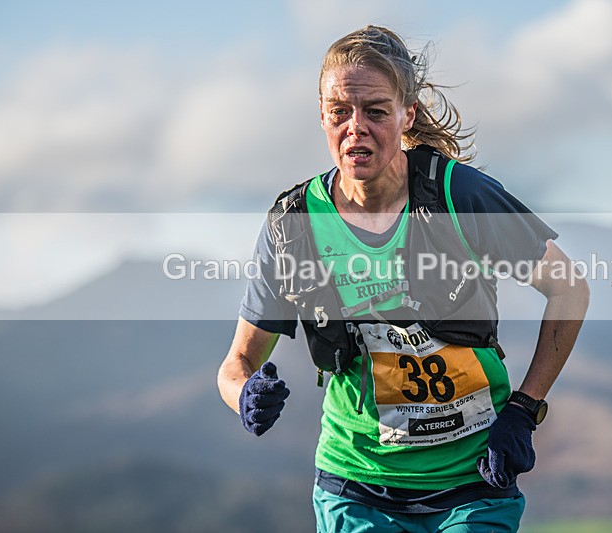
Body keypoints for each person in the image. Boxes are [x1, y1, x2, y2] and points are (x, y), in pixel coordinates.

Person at [218, 25, 589, 533]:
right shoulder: (294, 223)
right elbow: (237, 363)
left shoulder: (461, 196)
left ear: (406, 113)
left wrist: (524, 409)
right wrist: (245, 394)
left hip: (473, 482)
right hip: (354, 486)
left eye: (375, 111)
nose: (356, 128)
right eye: (339, 112)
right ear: (322, 116)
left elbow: (569, 289)